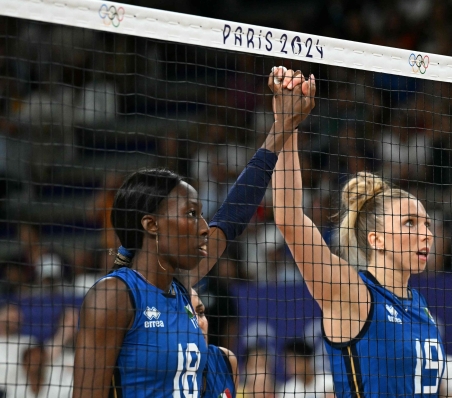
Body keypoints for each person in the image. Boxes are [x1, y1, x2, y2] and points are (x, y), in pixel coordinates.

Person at [73, 67, 315, 397]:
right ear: (151, 225)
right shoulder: (115, 296)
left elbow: (230, 218)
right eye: (190, 215)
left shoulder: (181, 287)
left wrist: (283, 125)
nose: (203, 228)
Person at [272, 126, 445, 396]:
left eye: (427, 224)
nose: (426, 234)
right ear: (377, 240)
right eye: (409, 223)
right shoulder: (353, 293)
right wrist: (287, 123)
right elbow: (289, 219)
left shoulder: (419, 305)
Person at [190, 288, 238, 398]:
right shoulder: (163, 370)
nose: (199, 323)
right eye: (189, 316)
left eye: (201, 313)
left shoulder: (225, 359)